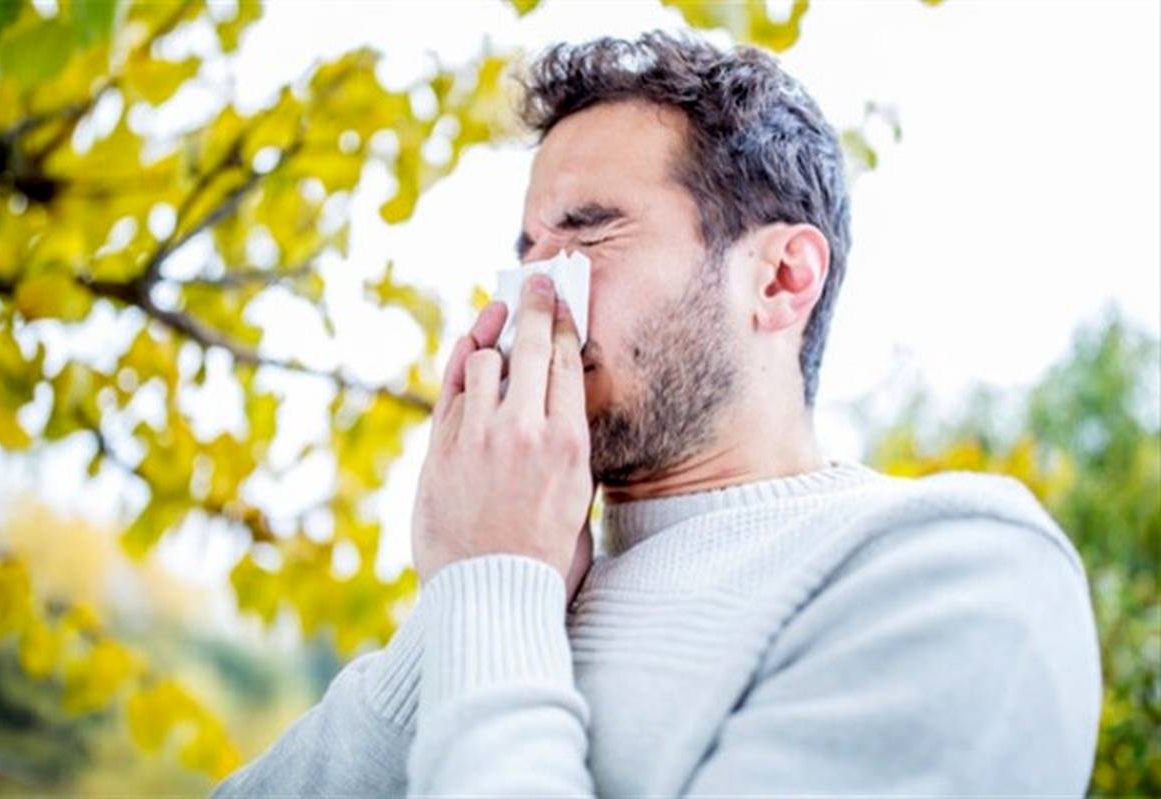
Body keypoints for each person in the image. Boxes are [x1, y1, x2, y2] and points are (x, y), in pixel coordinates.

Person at [213, 30, 1102, 797]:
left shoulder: (952, 570)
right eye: (527, 250)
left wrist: (492, 589)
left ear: (781, 279)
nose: (531, 295)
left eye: (588, 232)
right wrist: (467, 600)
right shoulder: (527, 576)